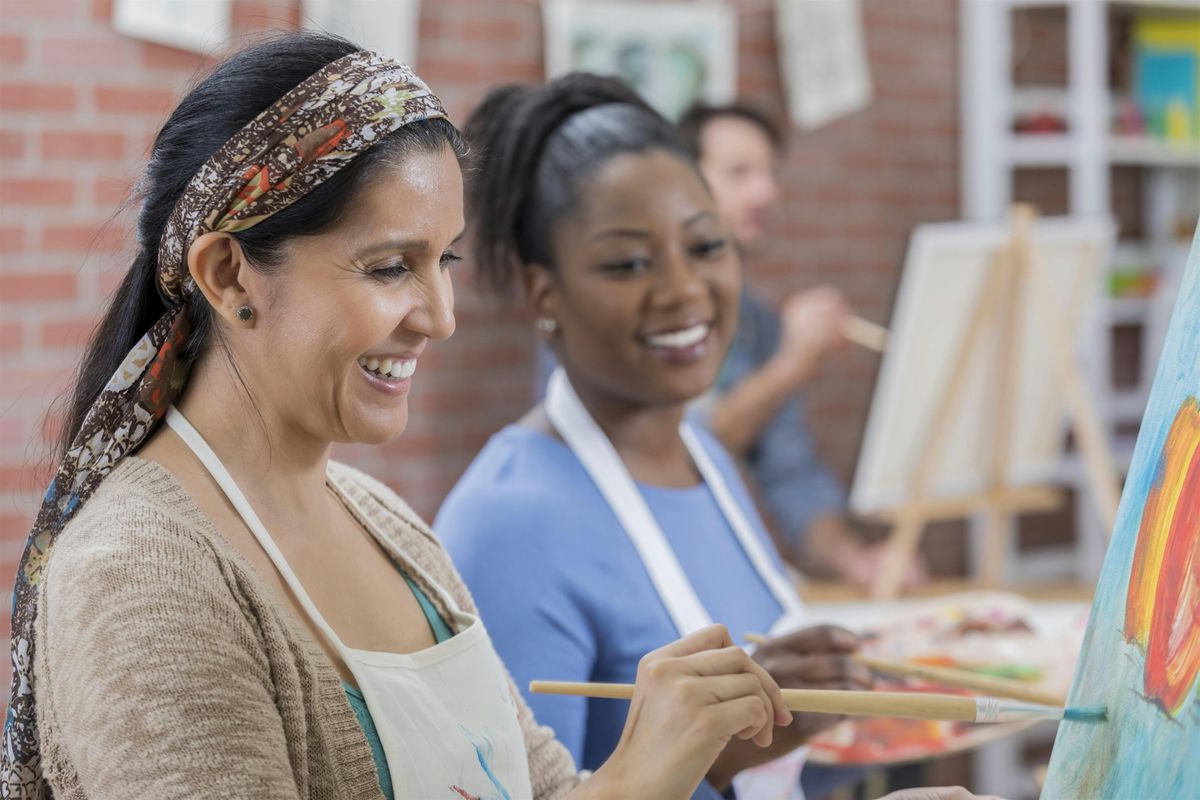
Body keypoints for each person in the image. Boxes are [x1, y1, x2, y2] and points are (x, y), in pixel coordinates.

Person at [0, 34, 803, 799]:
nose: (441, 315)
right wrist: (635, 784)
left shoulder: (385, 524)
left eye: (444, 260)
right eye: (390, 267)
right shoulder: (140, 574)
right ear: (229, 274)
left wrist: (659, 754)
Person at [438, 74, 884, 800]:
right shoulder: (511, 523)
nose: (684, 290)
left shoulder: (705, 457)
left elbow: (715, 764)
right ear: (541, 292)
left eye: (706, 246)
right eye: (629, 263)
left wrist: (775, 723)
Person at [676, 103, 925, 590]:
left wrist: (855, 560)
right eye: (739, 172)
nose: (766, 191)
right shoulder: (627, 313)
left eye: (769, 173)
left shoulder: (759, 325)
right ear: (680, 182)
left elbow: (793, 476)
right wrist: (788, 367)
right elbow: (671, 459)